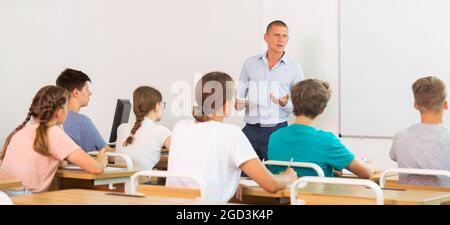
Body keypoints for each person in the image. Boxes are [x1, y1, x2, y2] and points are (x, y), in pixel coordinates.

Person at [166, 71, 297, 203]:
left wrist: (232, 181)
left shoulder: (180, 127)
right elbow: (271, 184)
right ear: (226, 104)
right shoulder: (231, 133)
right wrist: (288, 176)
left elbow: (199, 165)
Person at [0, 85, 108, 194]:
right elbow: (95, 168)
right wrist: (101, 161)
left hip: (4, 194)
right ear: (60, 113)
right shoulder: (53, 133)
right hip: (24, 196)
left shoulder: (21, 131)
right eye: (67, 108)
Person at [268, 79, 375, 178]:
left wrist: (327, 168)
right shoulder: (328, 141)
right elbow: (365, 172)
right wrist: (370, 164)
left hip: (284, 197)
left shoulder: (275, 137)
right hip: (315, 198)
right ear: (322, 109)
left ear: (294, 105)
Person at [236, 20, 304, 161]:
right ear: (266, 37)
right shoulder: (250, 63)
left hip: (277, 130)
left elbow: (300, 106)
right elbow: (240, 91)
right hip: (250, 129)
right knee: (240, 173)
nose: (281, 40)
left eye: (284, 36)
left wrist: (284, 103)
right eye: (276, 35)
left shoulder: (295, 68)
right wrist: (239, 102)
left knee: (275, 174)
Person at [390, 76, 450, 187]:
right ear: (446, 105)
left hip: (407, 201)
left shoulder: (400, 136)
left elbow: (393, 156)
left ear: (415, 105)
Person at [115, 86, 171, 171]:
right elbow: (180, 154)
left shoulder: (121, 128)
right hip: (140, 182)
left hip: (116, 182)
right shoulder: (161, 131)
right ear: (156, 105)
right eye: (162, 104)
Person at [56, 68, 107, 152]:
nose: (90, 93)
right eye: (86, 88)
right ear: (76, 92)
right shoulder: (82, 122)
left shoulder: (52, 118)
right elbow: (110, 155)